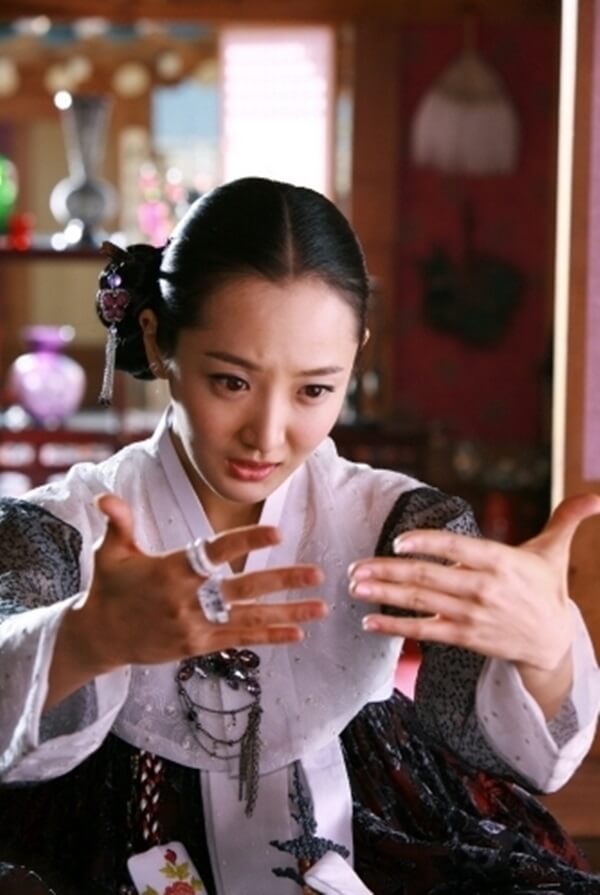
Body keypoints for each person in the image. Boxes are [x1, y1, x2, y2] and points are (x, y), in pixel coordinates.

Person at [0, 175, 599, 895]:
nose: (268, 434)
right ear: (158, 341)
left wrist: (543, 650)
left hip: (372, 824)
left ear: (355, 357)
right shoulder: (65, 527)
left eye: (315, 389)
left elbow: (500, 746)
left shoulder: (400, 522)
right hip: (110, 832)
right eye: (232, 382)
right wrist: (88, 637)